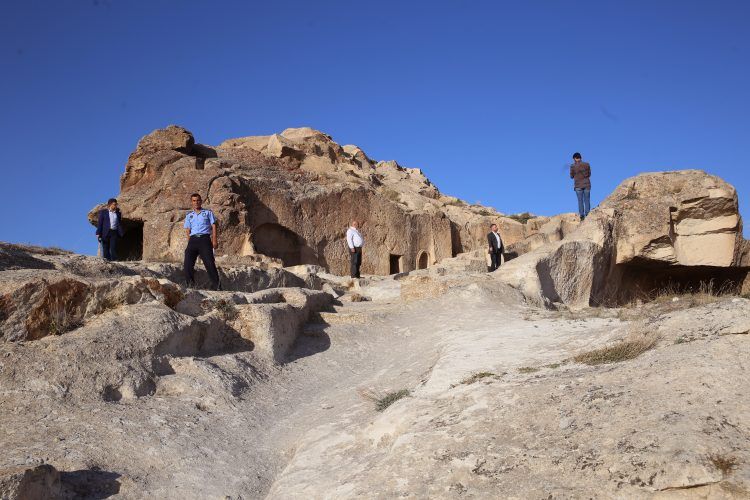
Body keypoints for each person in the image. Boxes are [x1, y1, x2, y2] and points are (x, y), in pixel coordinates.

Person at [183, 193, 221, 290]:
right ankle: (190, 286)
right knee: (187, 264)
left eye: (198, 200)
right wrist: (189, 242)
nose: (196, 202)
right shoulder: (189, 215)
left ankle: (217, 286)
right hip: (193, 240)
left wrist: (214, 240)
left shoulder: (208, 213)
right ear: (191, 202)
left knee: (209, 263)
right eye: (194, 201)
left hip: (204, 239)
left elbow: (213, 226)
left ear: (201, 201)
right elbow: (187, 229)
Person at [570, 152, 591, 220]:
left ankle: (582, 215)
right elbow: (589, 174)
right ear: (580, 157)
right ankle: (587, 214)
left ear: (575, 158)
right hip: (587, 184)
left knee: (580, 201)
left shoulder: (573, 166)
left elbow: (571, 176)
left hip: (578, 185)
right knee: (587, 200)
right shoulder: (587, 164)